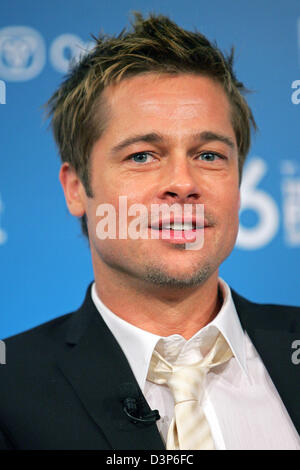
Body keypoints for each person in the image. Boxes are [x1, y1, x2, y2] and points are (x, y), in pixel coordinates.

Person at [0, 13, 299, 451]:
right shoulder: (11, 391)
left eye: (210, 155)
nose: (183, 182)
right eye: (142, 156)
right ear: (76, 188)